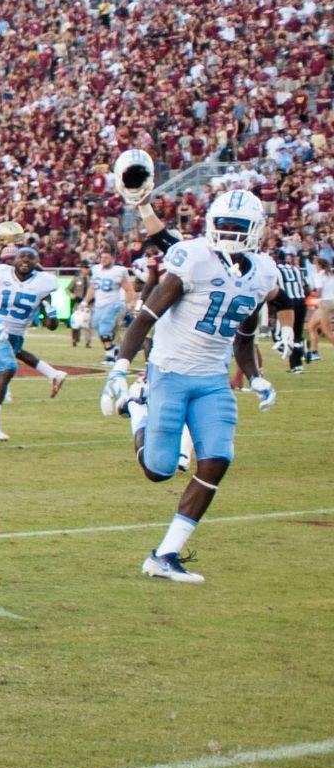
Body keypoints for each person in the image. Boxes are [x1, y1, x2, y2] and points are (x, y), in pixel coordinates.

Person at [107, 190, 284, 582]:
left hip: (211, 381)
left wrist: (256, 377)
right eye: (224, 224)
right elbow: (146, 316)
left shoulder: (265, 272)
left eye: (239, 226)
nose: (230, 232)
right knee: (159, 470)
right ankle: (138, 409)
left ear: (256, 230)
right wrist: (120, 367)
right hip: (169, 372)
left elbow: (244, 337)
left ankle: (165, 554)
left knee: (217, 459)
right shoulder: (194, 258)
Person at [0, 245, 67, 441]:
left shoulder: (44, 283)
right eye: (21, 256)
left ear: (37, 262)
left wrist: (50, 311)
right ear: (14, 260)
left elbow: (51, 325)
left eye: (30, 258)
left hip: (15, 336)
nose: (25, 260)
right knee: (8, 367)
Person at [86, 247, 136, 364]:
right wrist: (85, 301)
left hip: (112, 304)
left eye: (107, 258)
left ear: (113, 259)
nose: (104, 260)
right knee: (97, 326)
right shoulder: (96, 269)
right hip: (99, 305)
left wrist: (129, 303)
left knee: (104, 330)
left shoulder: (118, 271)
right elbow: (93, 287)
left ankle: (110, 357)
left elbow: (128, 289)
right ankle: (115, 350)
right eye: (102, 257)